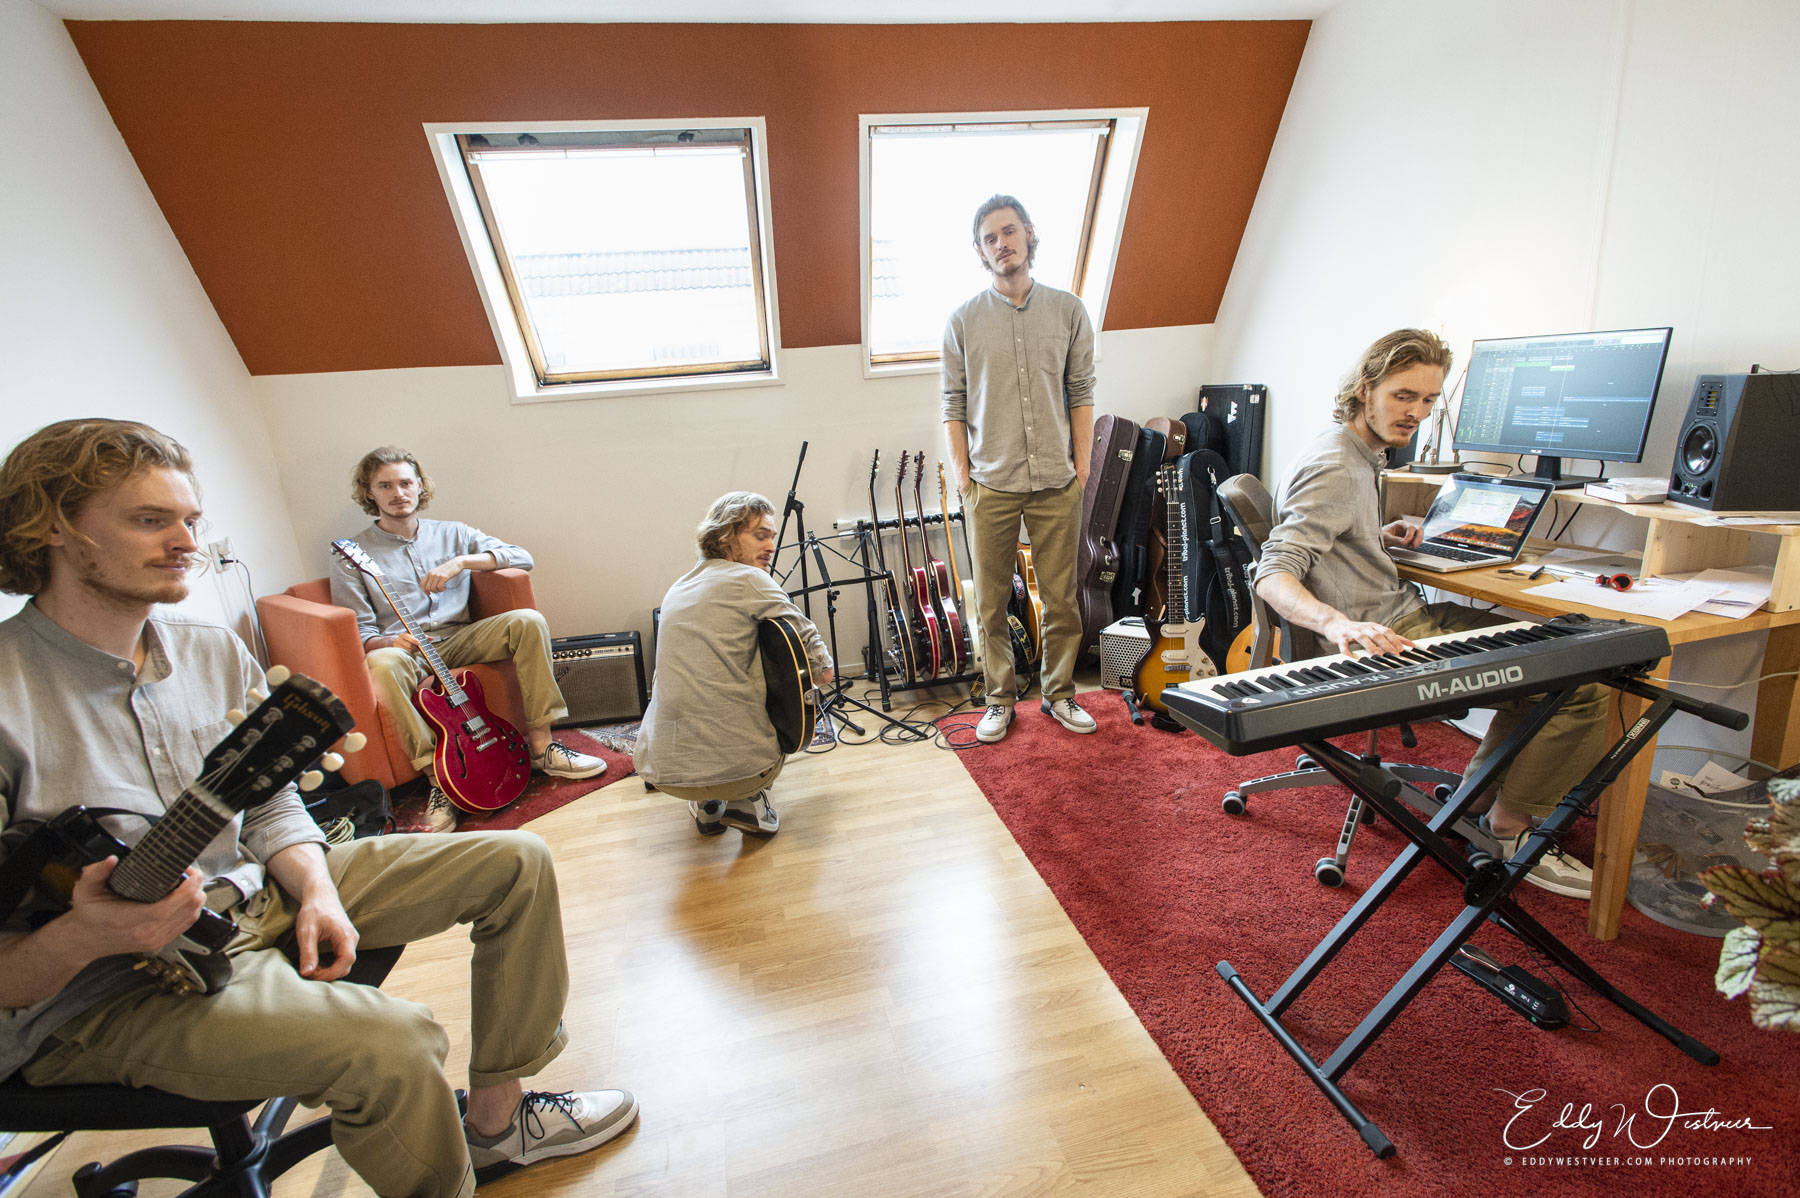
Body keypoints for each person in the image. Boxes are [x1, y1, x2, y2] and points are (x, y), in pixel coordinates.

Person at [0, 419, 636, 1198]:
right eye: (149, 520)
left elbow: (263, 804)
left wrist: (318, 888)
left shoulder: (206, 650)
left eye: (190, 521)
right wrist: (81, 936)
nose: (185, 541)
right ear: (56, 527)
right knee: (396, 1043)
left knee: (518, 862)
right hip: (103, 990)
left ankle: (499, 1124)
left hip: (253, 894)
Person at [1254, 329, 1608, 898]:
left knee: (1552, 656)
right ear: (1365, 389)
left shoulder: (1348, 449)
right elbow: (1273, 571)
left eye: (1428, 401)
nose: (1416, 412)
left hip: (1395, 617)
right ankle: (1510, 833)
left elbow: (1332, 541)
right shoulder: (1338, 468)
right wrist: (1335, 624)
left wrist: (1376, 537)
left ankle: (1474, 807)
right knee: (1582, 679)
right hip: (1388, 641)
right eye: (1403, 396)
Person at [331, 446, 605, 832]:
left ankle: (542, 747)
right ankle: (439, 779)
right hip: (407, 650)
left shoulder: (454, 533)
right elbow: (361, 633)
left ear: (420, 486)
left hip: (459, 637)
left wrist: (462, 561)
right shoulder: (351, 555)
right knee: (381, 664)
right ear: (369, 492)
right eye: (385, 485)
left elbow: (521, 556)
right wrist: (390, 643)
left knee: (527, 621)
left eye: (406, 482)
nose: (398, 493)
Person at [942, 193, 1098, 744]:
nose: (1001, 244)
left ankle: (1059, 695)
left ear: (1029, 234)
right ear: (980, 252)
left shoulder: (1069, 311)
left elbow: (1080, 392)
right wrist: (964, 477)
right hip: (991, 482)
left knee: (1061, 598)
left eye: (1009, 232)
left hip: (1058, 482)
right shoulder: (962, 322)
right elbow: (953, 404)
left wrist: (1082, 467)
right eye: (990, 238)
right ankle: (999, 699)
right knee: (989, 602)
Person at [633, 492, 832, 837]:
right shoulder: (751, 580)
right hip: (746, 771)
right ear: (726, 535)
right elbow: (820, 664)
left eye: (771, 536)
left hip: (662, 771)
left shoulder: (677, 587)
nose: (771, 545)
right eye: (760, 535)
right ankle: (748, 803)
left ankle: (707, 805)